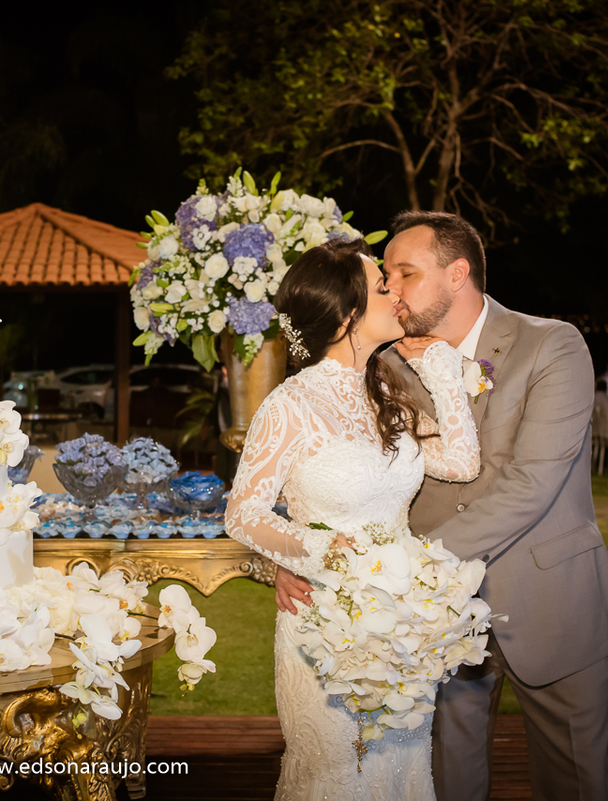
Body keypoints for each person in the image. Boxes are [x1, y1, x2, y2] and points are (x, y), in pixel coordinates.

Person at [367, 210, 608, 800]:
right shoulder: (386, 364)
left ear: (457, 273)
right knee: (447, 783)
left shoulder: (552, 345)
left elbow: (531, 485)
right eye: (386, 276)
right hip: (438, 618)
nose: (390, 289)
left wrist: (409, 564)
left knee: (575, 785)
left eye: (405, 273)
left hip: (552, 603)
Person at [225, 236, 481, 798]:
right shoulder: (291, 404)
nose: (395, 292)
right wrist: (320, 554)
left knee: (402, 770)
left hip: (401, 625)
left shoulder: (387, 389)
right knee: (336, 776)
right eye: (380, 285)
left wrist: (441, 369)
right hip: (325, 624)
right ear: (347, 314)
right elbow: (243, 513)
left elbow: (460, 464)